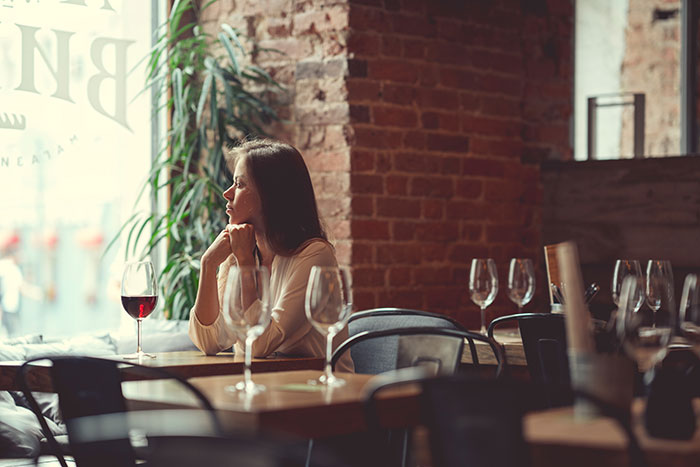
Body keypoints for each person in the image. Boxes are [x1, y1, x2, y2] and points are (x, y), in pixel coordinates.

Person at [188, 139, 354, 372]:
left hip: (320, 393)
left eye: (240, 184)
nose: (227, 193)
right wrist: (208, 264)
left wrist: (245, 263)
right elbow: (209, 342)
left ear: (271, 195)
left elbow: (259, 344)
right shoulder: (240, 251)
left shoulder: (314, 255)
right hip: (263, 387)